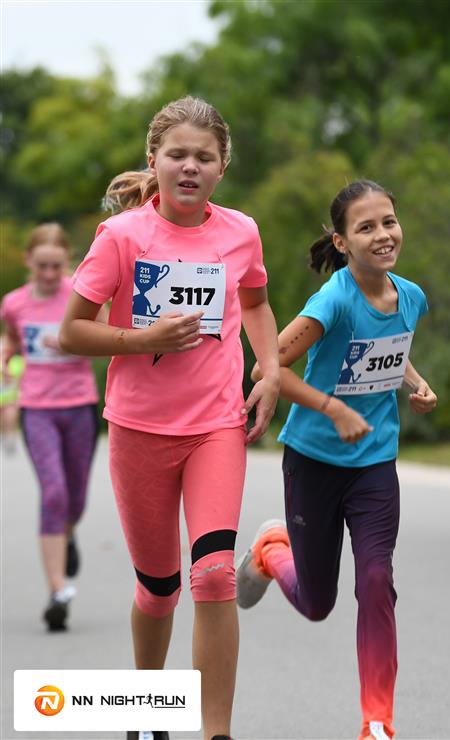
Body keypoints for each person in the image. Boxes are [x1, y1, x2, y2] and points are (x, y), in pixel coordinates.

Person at [59, 96, 280, 740]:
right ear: (153, 160)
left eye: (204, 157)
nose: (190, 166)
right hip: (139, 429)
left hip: (216, 426)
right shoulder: (122, 237)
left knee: (213, 574)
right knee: (159, 588)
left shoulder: (241, 232)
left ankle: (215, 732)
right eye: (177, 155)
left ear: (222, 167)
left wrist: (269, 370)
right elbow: (72, 331)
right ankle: (147, 708)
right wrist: (142, 339)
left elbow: (257, 304)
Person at [235, 180, 438, 740]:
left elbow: (391, 351)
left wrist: (417, 384)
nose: (383, 235)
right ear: (342, 242)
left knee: (376, 578)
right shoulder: (333, 301)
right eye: (366, 227)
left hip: (374, 463)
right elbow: (266, 368)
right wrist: (331, 408)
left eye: (388, 222)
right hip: (315, 462)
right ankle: (272, 550)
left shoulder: (411, 296)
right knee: (317, 602)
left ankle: (377, 722)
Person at [1, 223, 101, 631]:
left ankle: (67, 534)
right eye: (41, 266)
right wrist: (5, 358)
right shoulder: (13, 303)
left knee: (75, 498)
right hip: (37, 409)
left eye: (55, 266)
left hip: (79, 406)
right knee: (54, 492)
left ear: (67, 263)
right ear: (28, 261)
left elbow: (108, 335)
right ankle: (58, 590)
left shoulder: (81, 293)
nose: (48, 274)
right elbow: (11, 340)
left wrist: (72, 341)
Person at [0, 342, 24, 454]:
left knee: (9, 419)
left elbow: (21, 379)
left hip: (11, 398)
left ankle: (10, 438)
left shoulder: (18, 362)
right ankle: (4, 436)